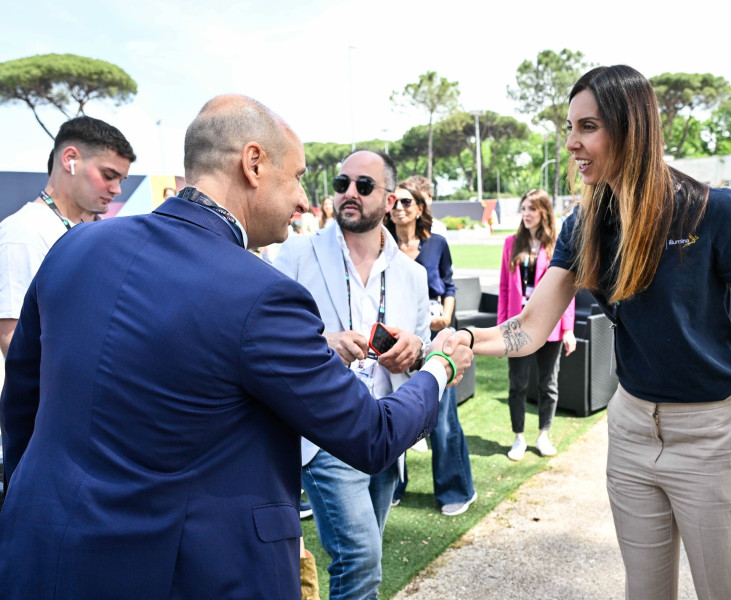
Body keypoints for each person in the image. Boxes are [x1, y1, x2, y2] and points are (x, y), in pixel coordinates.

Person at [0, 95, 472, 600]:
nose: (301, 200)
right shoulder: (263, 291)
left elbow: (24, 400)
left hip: (39, 555)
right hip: (183, 575)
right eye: (296, 177)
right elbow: (372, 436)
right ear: (253, 164)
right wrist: (441, 363)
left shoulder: (74, 246)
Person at [444, 65, 731, 599]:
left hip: (712, 435)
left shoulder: (711, 210)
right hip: (631, 430)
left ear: (631, 128)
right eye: (569, 128)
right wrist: (464, 340)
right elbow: (531, 327)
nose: (571, 143)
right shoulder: (584, 225)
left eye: (587, 127)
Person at [274, 150, 434, 600]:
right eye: (343, 183)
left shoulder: (414, 275)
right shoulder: (299, 252)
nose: (349, 193)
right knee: (361, 557)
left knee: (367, 553)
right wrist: (327, 343)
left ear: (387, 199)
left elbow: (423, 347)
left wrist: (414, 350)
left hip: (386, 430)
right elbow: (270, 337)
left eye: (364, 186)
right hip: (324, 429)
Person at [0, 115, 135, 357]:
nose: (117, 189)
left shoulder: (101, 228)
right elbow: (13, 340)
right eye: (108, 175)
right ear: (70, 159)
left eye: (120, 179)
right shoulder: (24, 232)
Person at [386, 180, 477, 515]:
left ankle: (455, 490)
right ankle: (392, 484)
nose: (399, 207)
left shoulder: (437, 243)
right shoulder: (383, 247)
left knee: (443, 420)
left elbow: (449, 283)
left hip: (438, 337)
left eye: (406, 202)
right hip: (398, 339)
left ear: (419, 209)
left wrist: (447, 318)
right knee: (392, 411)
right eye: (394, 201)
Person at [498, 189, 576, 460]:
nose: (526, 214)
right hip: (516, 326)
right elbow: (505, 290)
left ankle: (544, 434)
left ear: (544, 211)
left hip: (549, 324)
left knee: (548, 383)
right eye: (523, 209)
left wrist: (568, 328)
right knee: (517, 384)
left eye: (532, 209)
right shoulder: (511, 243)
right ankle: (518, 437)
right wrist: (500, 328)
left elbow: (567, 289)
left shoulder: (557, 243)